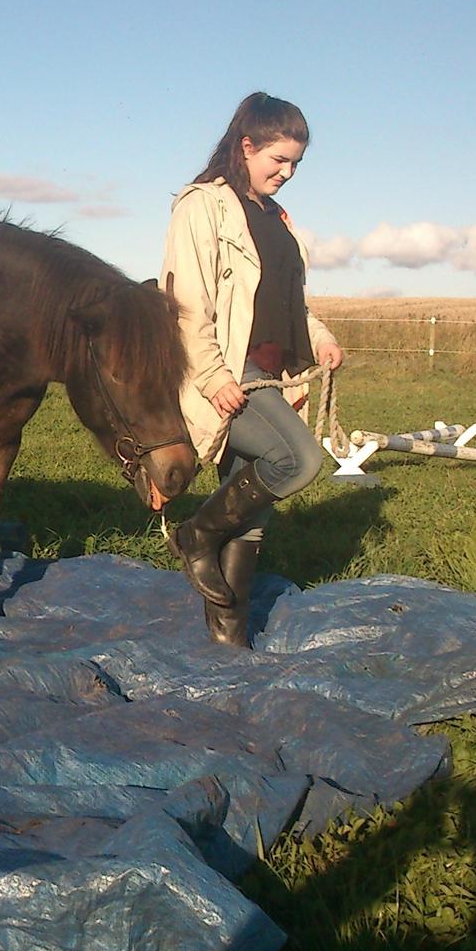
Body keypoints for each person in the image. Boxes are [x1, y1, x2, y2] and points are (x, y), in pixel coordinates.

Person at [159, 92, 343, 646]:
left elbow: (288, 302)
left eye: (296, 164)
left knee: (250, 515)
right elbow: (186, 301)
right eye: (278, 159)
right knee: (298, 459)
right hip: (228, 370)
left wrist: (320, 338)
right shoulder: (203, 206)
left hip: (270, 372)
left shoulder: (277, 219)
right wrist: (213, 376)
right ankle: (195, 535)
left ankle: (229, 640)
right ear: (246, 146)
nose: (287, 173)